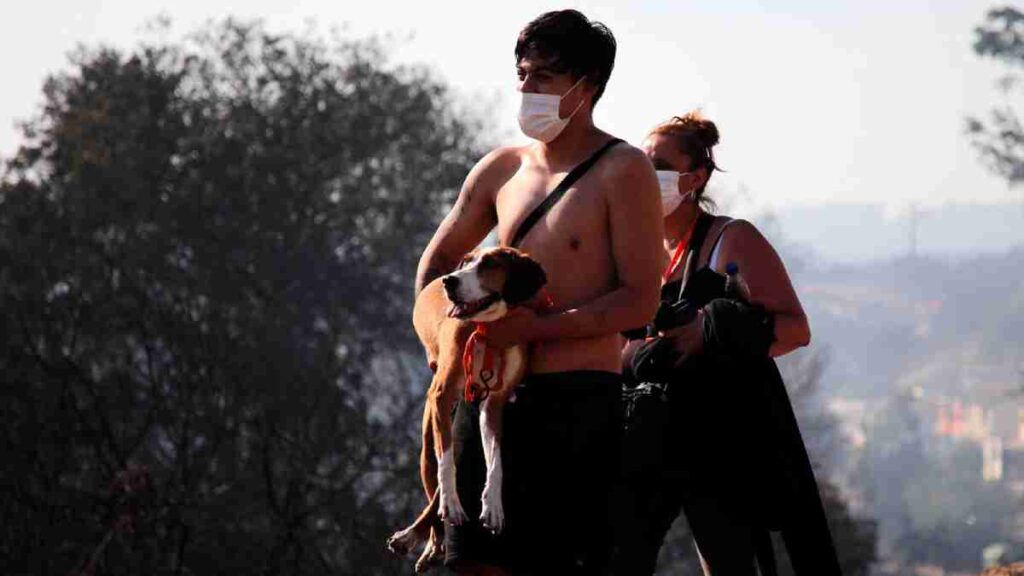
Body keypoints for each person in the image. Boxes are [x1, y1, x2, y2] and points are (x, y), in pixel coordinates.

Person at [414, 9, 664, 575]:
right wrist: (439, 344)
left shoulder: (623, 170)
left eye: (544, 77)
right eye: (523, 74)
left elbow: (638, 301)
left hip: (577, 402)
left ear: (587, 86)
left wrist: (536, 329)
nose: (527, 88)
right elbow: (439, 260)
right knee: (470, 565)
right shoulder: (501, 167)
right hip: (486, 400)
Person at [611, 111, 841, 575]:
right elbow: (612, 343)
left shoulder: (731, 240)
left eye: (658, 165)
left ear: (694, 178)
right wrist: (641, 354)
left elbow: (796, 329)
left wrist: (709, 334)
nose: (643, 173)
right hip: (647, 433)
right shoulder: (630, 249)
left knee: (730, 562)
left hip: (721, 439)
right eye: (639, 162)